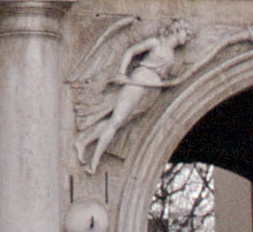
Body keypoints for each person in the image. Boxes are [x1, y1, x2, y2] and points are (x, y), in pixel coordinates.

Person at [74, 20, 193, 173]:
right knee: (116, 121)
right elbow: (131, 51)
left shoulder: (172, 54)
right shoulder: (156, 43)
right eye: (187, 33)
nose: (188, 38)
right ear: (177, 30)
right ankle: (94, 161)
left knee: (118, 123)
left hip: (151, 91)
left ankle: (83, 142)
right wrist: (122, 73)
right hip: (139, 82)